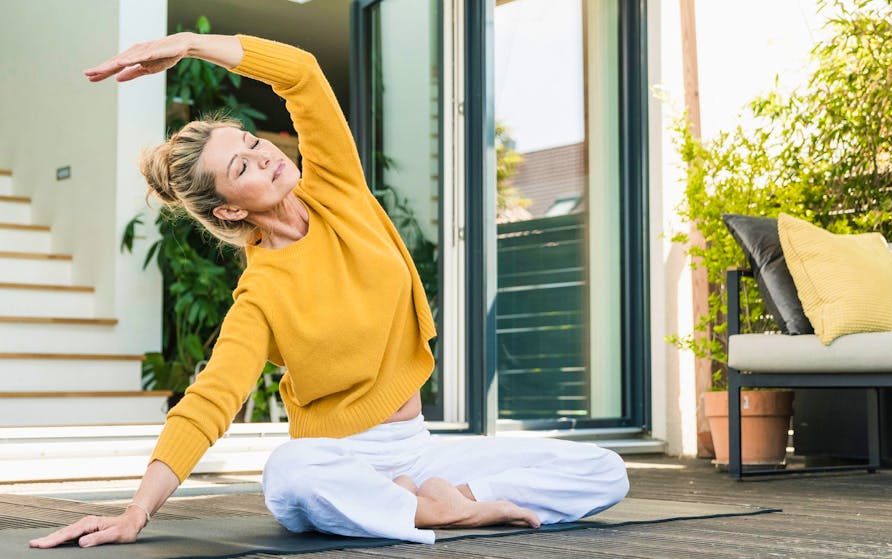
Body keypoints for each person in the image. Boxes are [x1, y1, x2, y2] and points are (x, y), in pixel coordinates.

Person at [28, 32, 629, 549]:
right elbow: (210, 401)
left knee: (603, 470)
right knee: (290, 475)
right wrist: (136, 512)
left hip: (420, 451)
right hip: (341, 459)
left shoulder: (339, 191)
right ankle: (429, 508)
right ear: (229, 211)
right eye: (241, 168)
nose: (264, 156)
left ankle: (447, 501)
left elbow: (303, 76)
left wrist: (189, 45)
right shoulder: (261, 294)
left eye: (252, 143)